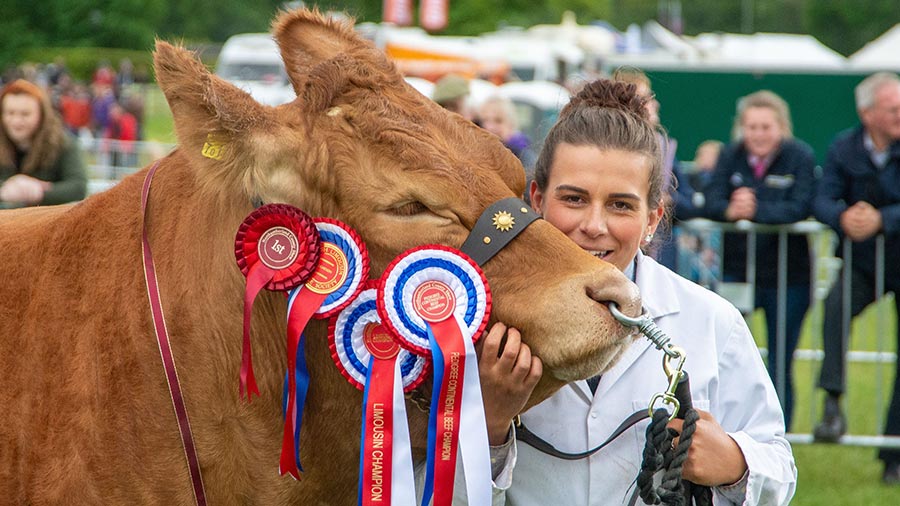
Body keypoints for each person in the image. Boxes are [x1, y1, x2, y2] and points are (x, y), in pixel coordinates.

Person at [470, 79, 796, 505]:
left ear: (653, 219)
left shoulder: (712, 322)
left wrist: (734, 462)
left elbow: (779, 470)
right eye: (573, 198)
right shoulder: (486, 322)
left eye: (621, 205)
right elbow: (433, 489)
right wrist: (490, 425)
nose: (594, 225)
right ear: (536, 200)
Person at [703, 90, 816, 431]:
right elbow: (710, 199)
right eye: (751, 126)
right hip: (737, 273)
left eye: (766, 126)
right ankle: (727, 432)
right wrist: (728, 209)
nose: (758, 134)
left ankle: (779, 437)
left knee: (781, 358)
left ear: (781, 127)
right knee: (728, 356)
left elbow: (803, 204)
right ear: (741, 128)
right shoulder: (729, 154)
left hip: (788, 277)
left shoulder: (800, 156)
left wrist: (757, 211)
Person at [811, 72, 900, 483]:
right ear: (866, 113)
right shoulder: (843, 147)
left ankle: (893, 456)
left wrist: (882, 219)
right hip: (861, 262)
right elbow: (822, 197)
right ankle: (832, 403)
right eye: (892, 108)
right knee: (834, 308)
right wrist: (843, 217)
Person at [612, 67, 704, 270]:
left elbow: (689, 203)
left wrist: (668, 200)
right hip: (617, 251)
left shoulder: (664, 147)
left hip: (657, 256)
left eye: (651, 97)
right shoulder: (607, 147)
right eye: (645, 98)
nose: (654, 104)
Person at [0, 79, 87, 207]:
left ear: (41, 115)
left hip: (46, 222)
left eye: (25, 114)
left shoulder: (62, 144)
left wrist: (39, 191)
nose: (16, 121)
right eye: (10, 113)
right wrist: (6, 189)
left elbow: (78, 187)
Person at [477, 94, 536, 175]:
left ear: (511, 124)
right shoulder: (477, 155)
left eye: (498, 121)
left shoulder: (524, 159)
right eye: (485, 120)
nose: (489, 127)